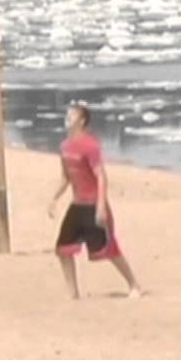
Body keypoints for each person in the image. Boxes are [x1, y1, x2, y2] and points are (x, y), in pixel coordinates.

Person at [49, 105, 142, 299]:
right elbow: (65, 178)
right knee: (63, 249)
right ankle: (72, 292)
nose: (67, 117)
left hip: (93, 204)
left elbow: (101, 176)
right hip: (77, 205)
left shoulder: (91, 145)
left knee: (109, 249)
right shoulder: (64, 146)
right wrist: (54, 198)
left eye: (72, 115)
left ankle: (133, 284)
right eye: (67, 114)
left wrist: (101, 206)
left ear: (82, 121)